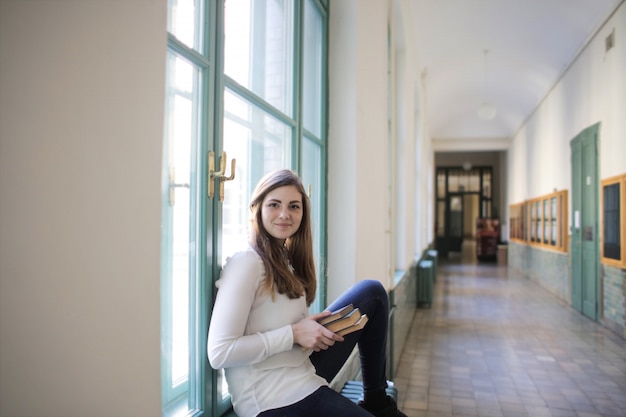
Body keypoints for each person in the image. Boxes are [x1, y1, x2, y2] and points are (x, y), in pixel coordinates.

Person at [208, 169, 407, 417]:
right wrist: (293, 333)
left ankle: (377, 402)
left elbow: (274, 320)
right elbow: (220, 352)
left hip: (302, 371)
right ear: (256, 208)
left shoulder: (285, 258)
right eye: (274, 205)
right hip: (271, 398)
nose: (284, 214)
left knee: (372, 293)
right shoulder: (247, 262)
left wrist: (310, 326)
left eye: (294, 206)